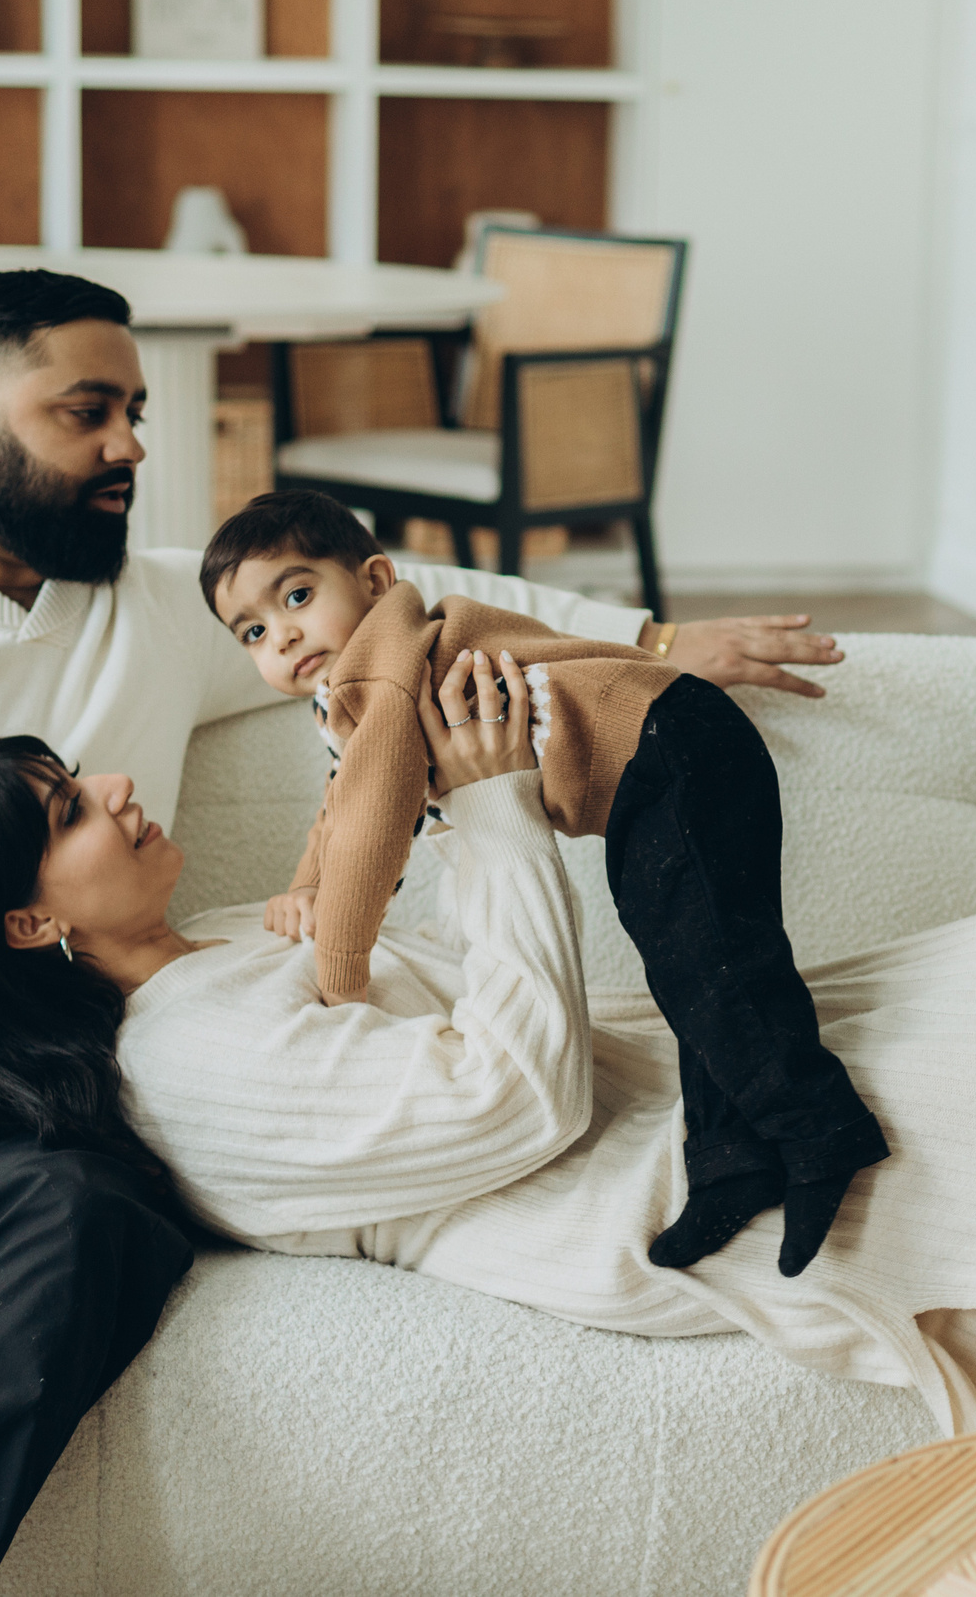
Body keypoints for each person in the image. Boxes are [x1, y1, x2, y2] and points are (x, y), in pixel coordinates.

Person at [0, 266, 849, 1597]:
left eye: (135, 410)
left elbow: (395, 600)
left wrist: (646, 634)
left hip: (25, 1068)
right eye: (88, 410)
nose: (133, 445)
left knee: (92, 1224)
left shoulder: (155, 608)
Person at [0, 654, 976, 1438]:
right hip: (598, 1177)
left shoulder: (212, 939)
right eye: (68, 811)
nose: (113, 787)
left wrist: (420, 787)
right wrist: (500, 810)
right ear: (31, 922)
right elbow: (513, 1096)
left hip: (636, 1078)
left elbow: (443, 965)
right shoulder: (181, 1066)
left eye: (76, 776)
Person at [200, 490, 886, 1277]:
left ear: (376, 580)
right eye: (253, 631)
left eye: (296, 596)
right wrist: (306, 885)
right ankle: (731, 1159)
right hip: (665, 759)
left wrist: (341, 970)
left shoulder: (381, 675)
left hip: (672, 747)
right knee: (690, 968)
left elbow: (371, 824)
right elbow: (342, 799)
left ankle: (818, 1129)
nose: (283, 634)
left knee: (716, 963)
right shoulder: (363, 684)